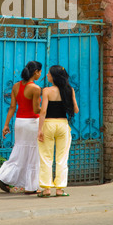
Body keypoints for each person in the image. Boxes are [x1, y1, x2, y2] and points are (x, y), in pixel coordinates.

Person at [0, 61, 42, 194]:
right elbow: (36, 109)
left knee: (19, 151)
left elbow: (12, 107)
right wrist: (47, 107)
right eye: (40, 72)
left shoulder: (16, 86)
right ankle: (31, 186)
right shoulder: (36, 88)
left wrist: (6, 125)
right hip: (32, 123)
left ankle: (4, 177)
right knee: (33, 153)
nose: (40, 74)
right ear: (36, 72)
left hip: (19, 122)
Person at [37, 65, 79, 197]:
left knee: (46, 157)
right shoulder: (69, 90)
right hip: (63, 125)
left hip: (49, 124)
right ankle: (60, 189)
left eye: (49, 73)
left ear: (54, 76)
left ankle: (46, 189)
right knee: (62, 158)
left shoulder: (47, 91)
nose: (47, 75)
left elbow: (43, 111)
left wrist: (40, 129)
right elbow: (76, 110)